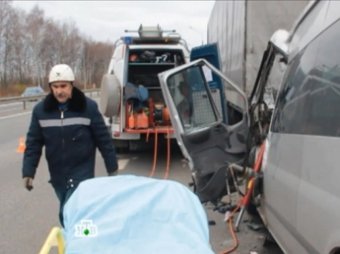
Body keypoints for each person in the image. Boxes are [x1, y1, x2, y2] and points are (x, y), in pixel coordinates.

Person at [22, 64, 118, 226]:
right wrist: (28, 172)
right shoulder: (40, 112)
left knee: (70, 211)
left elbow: (104, 140)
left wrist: (112, 168)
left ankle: (77, 246)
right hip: (58, 174)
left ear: (72, 85)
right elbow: (33, 143)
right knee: (71, 212)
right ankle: (83, 240)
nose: (60, 91)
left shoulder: (88, 108)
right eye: (55, 86)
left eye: (64, 86)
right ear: (50, 87)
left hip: (82, 172)